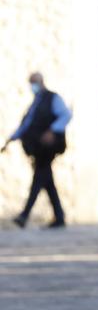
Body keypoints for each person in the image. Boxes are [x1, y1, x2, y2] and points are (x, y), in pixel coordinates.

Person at [2, 72, 71, 228]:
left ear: (41, 82)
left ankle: (24, 215)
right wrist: (12, 139)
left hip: (48, 148)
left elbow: (66, 115)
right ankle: (59, 216)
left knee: (39, 177)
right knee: (46, 180)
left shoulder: (53, 98)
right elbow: (26, 125)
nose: (32, 86)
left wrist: (52, 131)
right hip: (38, 148)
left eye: (34, 82)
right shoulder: (36, 102)